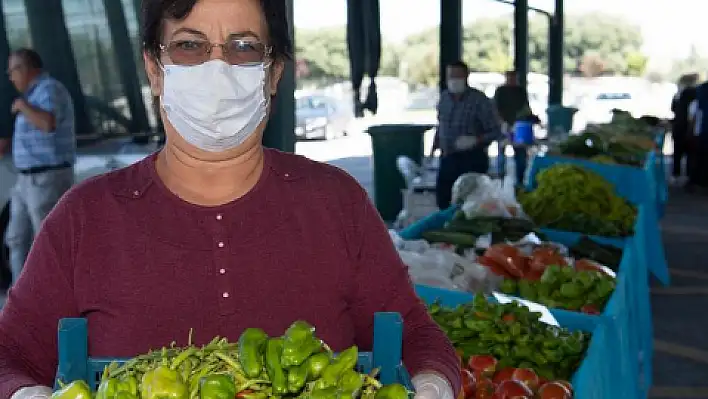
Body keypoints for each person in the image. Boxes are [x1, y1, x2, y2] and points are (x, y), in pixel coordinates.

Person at [0, 1, 461, 399]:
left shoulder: (337, 204)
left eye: (243, 47)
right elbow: (11, 352)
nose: (216, 69)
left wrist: (432, 384)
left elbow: (417, 338)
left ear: (274, 72)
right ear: (154, 69)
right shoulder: (86, 219)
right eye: (190, 45)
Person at [2, 48, 75, 286]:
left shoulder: (49, 89)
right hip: (25, 181)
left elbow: (47, 123)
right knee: (16, 238)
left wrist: (23, 107)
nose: (10, 77)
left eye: (12, 70)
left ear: (26, 69)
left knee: (47, 242)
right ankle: (20, 298)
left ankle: (52, 299)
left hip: (46, 178)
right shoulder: (32, 95)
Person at [431, 61, 502, 209]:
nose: (454, 79)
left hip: (472, 159)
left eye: (458, 75)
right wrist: (434, 147)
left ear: (466, 76)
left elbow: (496, 131)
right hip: (447, 158)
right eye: (451, 76)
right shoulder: (444, 98)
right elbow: (441, 125)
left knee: (470, 204)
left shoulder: (479, 100)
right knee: (443, 199)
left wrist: (476, 140)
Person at [493, 70, 534, 186]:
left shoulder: (521, 91)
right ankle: (500, 179)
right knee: (501, 154)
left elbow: (526, 108)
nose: (512, 80)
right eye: (510, 78)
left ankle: (520, 181)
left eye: (514, 78)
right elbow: (495, 108)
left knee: (520, 154)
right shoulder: (500, 91)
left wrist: (529, 118)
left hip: (519, 126)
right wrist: (501, 122)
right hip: (503, 125)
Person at [670, 73, 698, 186]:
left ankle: (676, 174)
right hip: (689, 129)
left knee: (677, 153)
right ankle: (688, 177)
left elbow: (673, 109)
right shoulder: (695, 94)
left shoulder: (678, 95)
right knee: (690, 155)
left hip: (678, 127)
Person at [688, 80, 708, 190]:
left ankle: (696, 181)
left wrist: (691, 132)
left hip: (700, 133)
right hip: (701, 132)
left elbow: (693, 118)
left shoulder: (697, 100)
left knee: (697, 158)